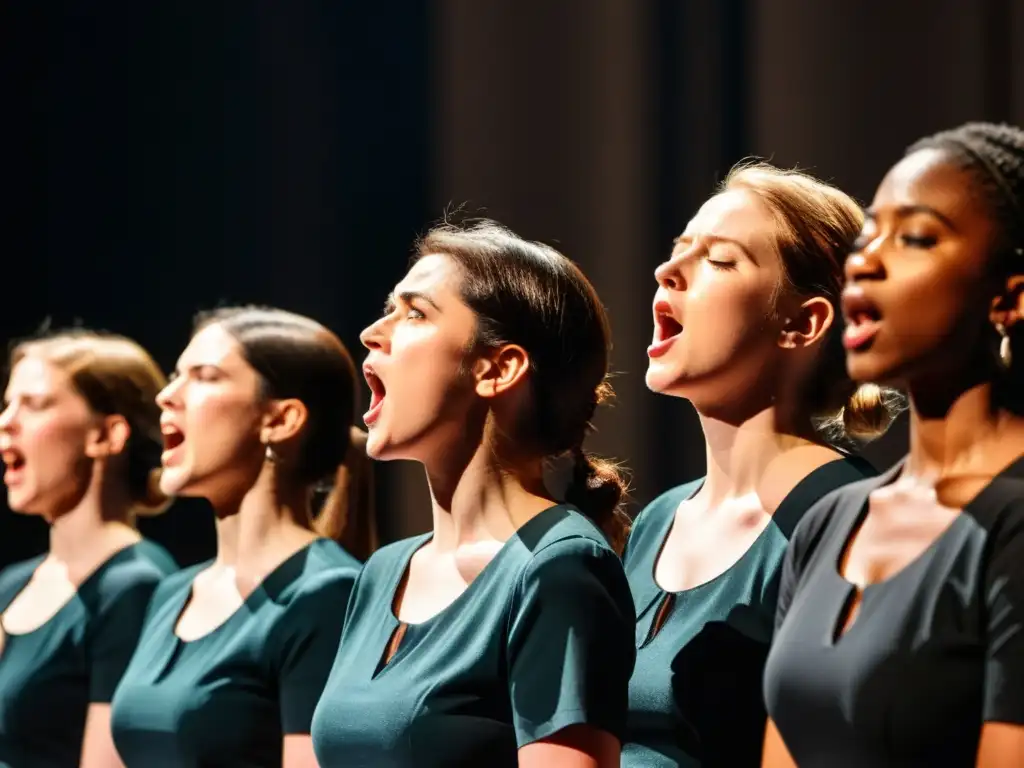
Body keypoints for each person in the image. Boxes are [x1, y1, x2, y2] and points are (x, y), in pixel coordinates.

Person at [310, 220, 636, 768]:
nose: (372, 332)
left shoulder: (557, 568)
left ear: (498, 368)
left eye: (415, 313)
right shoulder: (383, 572)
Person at [622, 163, 902, 767]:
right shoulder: (657, 521)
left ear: (802, 323)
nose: (667, 271)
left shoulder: (845, 517)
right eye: (678, 252)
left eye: (719, 261)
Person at [762, 122, 1024, 767]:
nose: (865, 260)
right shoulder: (830, 523)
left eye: (914, 237)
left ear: (1009, 298)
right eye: (867, 234)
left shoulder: (1014, 525)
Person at [109, 307, 372, 768]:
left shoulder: (325, 595)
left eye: (204, 377)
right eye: (175, 376)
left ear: (281, 420)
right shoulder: (172, 593)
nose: (167, 396)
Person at [0, 330, 178, 768]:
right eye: (7, 404)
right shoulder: (11, 584)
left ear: (106, 435)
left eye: (35, 404)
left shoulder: (134, 587)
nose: (6, 421)